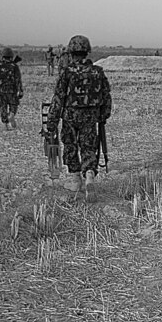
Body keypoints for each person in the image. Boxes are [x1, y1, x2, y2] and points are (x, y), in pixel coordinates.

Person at [45, 34, 111, 201]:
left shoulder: (67, 73)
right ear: (87, 51)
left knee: (70, 146)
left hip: (70, 117)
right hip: (90, 117)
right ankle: (89, 175)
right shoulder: (97, 72)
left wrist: (51, 123)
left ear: (71, 53)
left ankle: (75, 180)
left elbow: (58, 98)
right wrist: (103, 116)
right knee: (89, 147)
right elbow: (106, 96)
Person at [0, 47, 24, 129]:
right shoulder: (14, 66)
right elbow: (18, 79)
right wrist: (20, 91)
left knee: (3, 107)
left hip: (2, 90)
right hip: (12, 90)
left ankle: (5, 124)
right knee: (14, 105)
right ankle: (12, 114)